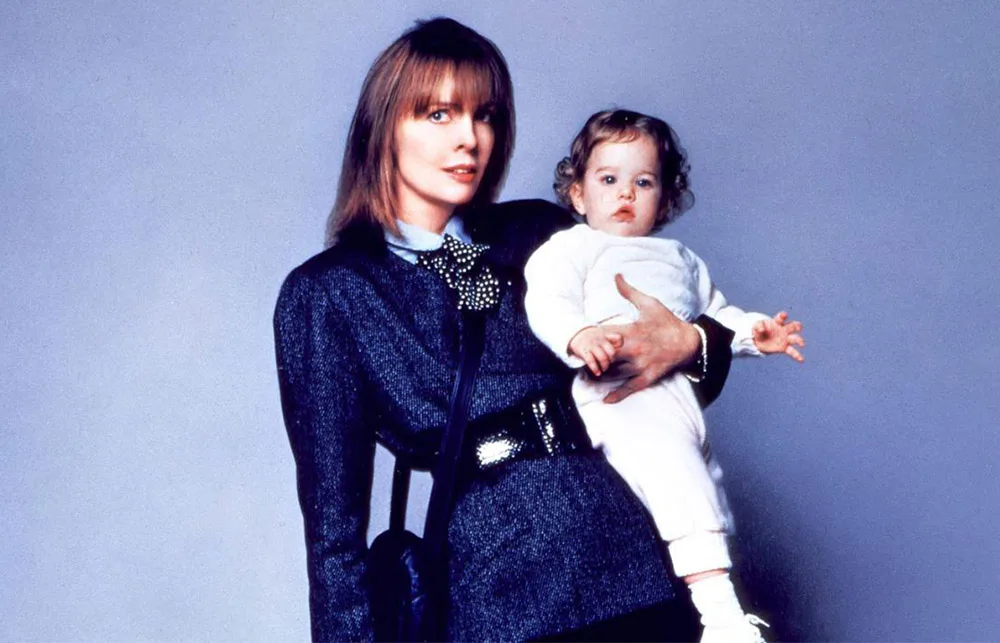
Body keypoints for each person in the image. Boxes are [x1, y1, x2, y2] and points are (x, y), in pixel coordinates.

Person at [274, 18, 739, 642]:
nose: (469, 138)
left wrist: (692, 342)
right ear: (385, 127)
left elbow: (671, 376)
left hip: (637, 562)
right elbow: (334, 532)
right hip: (500, 595)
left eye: (485, 115)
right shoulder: (329, 292)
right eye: (439, 114)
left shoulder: (542, 233)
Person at [524, 108, 805, 642]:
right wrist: (578, 336)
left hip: (679, 396)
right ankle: (721, 619)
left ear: (665, 199)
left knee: (707, 492)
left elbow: (714, 317)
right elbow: (549, 300)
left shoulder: (682, 259)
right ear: (579, 195)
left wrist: (753, 333)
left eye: (643, 182)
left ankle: (722, 606)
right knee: (680, 488)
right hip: (619, 391)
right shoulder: (574, 246)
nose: (625, 194)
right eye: (608, 180)